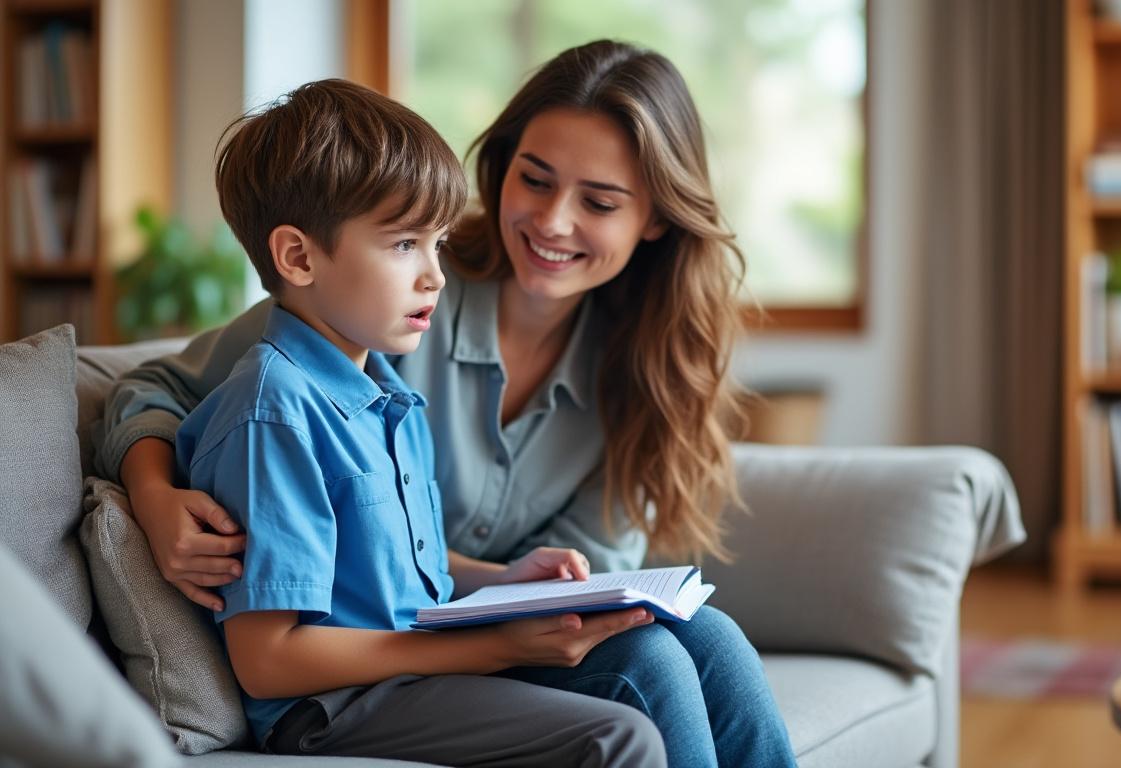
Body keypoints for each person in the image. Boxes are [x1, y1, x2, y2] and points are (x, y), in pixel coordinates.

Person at [96, 41, 796, 768]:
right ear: (501, 170)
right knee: (646, 671)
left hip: (451, 632)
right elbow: (162, 390)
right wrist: (152, 495)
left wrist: (513, 587)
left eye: (599, 201)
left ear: (654, 218)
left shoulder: (634, 368)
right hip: (386, 661)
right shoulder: (371, 311)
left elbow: (434, 564)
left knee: (710, 640)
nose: (554, 223)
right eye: (535, 180)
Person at [176, 77, 665, 767]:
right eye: (406, 244)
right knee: (618, 735)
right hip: (330, 708)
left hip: (404, 675)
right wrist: (493, 646)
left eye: (437, 244)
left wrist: (506, 579)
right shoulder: (273, 409)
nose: (436, 275)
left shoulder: (386, 394)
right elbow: (268, 660)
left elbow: (402, 581)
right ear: (298, 257)